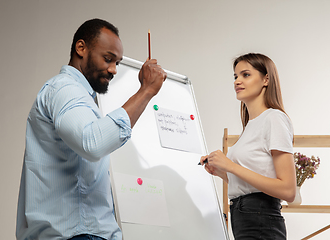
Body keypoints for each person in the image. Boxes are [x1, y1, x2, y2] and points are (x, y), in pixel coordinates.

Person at [16, 18, 167, 240]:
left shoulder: (83, 98)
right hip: (76, 235)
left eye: (117, 62)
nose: (114, 69)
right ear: (81, 48)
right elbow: (92, 143)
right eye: (108, 59)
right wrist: (145, 91)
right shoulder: (65, 89)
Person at [200, 53, 296, 240]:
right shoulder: (251, 126)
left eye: (245, 75)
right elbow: (253, 182)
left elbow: (288, 190)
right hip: (244, 217)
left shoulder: (274, 118)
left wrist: (230, 166)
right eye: (235, 76)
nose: (237, 81)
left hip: (260, 218)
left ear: (266, 79)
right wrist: (222, 172)